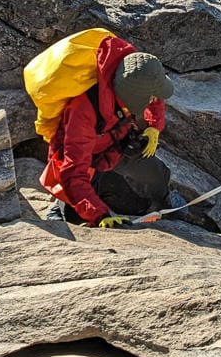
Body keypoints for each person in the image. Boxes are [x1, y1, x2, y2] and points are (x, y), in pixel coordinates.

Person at [40, 34, 173, 228]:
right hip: (85, 158)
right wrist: (100, 215)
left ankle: (164, 203)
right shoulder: (83, 111)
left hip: (115, 145)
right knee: (76, 215)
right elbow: (73, 170)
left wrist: (154, 126)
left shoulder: (132, 74)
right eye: (149, 98)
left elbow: (155, 94)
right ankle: (60, 208)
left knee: (157, 174)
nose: (154, 100)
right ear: (133, 98)